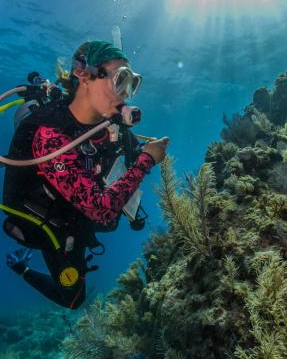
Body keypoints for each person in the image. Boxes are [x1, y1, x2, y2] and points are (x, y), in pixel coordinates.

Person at [2, 40, 169, 309]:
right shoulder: (50, 136)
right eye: (120, 80)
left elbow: (123, 161)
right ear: (83, 75)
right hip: (54, 220)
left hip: (77, 217)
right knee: (72, 299)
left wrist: (139, 155)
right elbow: (100, 209)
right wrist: (147, 159)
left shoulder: (109, 126)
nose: (125, 93)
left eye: (132, 84)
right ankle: (21, 267)